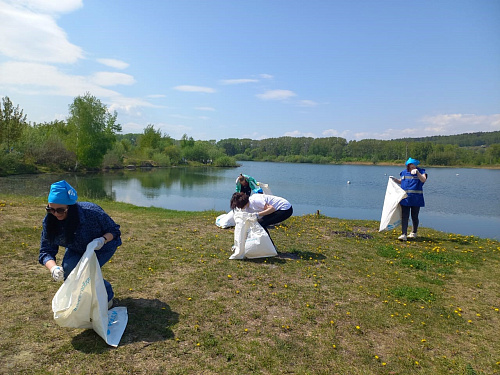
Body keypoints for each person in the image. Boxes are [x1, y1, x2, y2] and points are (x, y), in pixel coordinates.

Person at [38, 180, 121, 308]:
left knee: (87, 272)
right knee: (70, 273)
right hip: (76, 248)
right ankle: (86, 300)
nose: (55, 214)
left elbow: (114, 230)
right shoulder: (50, 221)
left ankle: (107, 296)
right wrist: (53, 268)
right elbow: (46, 251)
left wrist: (102, 240)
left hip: (102, 247)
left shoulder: (92, 212)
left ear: (70, 208)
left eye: (60, 210)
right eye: (50, 209)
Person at [392, 157, 428, 241]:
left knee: (414, 216)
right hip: (405, 199)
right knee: (404, 216)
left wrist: (417, 173)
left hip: (416, 199)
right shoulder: (404, 172)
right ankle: (403, 234)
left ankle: (413, 232)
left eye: (412, 166)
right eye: (409, 166)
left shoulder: (421, 172)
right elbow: (402, 181)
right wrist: (395, 180)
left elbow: (423, 180)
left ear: (415, 166)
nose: (411, 168)